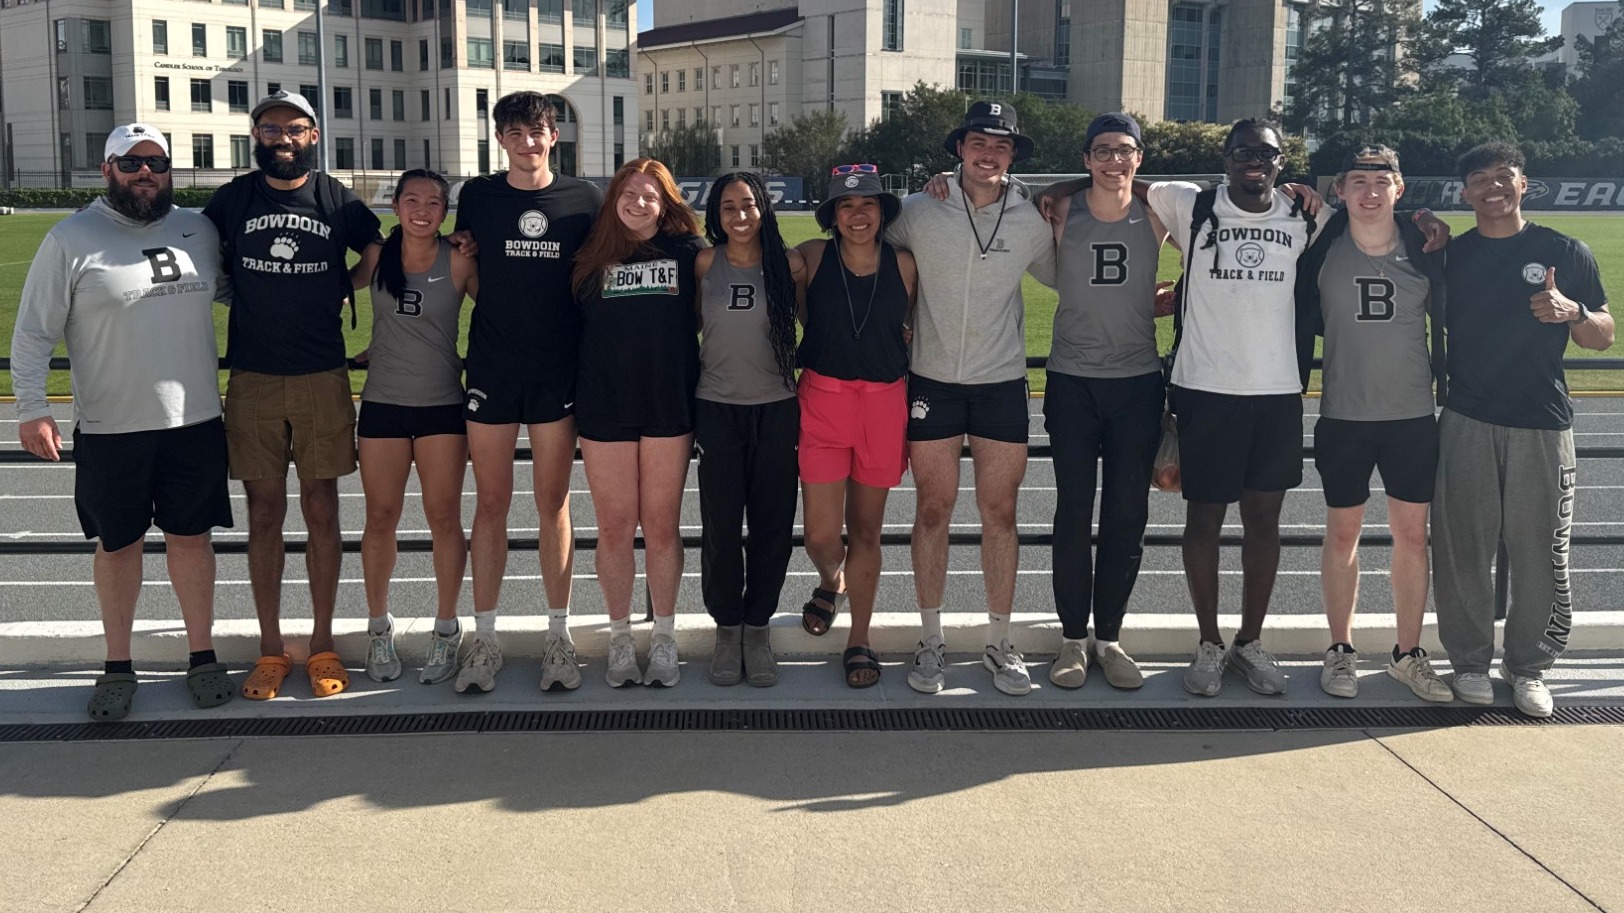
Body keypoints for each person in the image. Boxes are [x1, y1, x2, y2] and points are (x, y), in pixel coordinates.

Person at [11, 124, 234, 720]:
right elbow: (33, 332)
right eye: (131, 163)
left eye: (156, 162)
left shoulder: (199, 228)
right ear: (107, 169)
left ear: (169, 170)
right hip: (112, 425)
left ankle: (202, 654)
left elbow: (243, 293)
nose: (145, 173)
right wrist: (32, 407)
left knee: (193, 539)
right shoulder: (70, 238)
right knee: (119, 545)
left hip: (195, 420)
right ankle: (117, 665)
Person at [202, 91, 382, 701]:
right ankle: (271, 648)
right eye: (271, 127)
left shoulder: (336, 196)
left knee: (323, 507)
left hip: (321, 372)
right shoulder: (231, 199)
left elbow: (379, 253)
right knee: (263, 514)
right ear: (254, 134)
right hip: (251, 375)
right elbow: (200, 259)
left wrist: (343, 284)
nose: (282, 137)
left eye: (295, 128)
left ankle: (324, 642)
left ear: (313, 135)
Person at [1140, 119, 1323, 697]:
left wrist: (1426, 225)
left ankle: (1250, 641)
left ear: (1280, 162)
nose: (1254, 161)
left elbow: (1377, 229)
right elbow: (1120, 180)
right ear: (1225, 158)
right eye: (1243, 151)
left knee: (1265, 522)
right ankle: (1208, 643)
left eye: (1265, 153)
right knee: (1205, 521)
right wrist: (1051, 191)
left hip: (1276, 391)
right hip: (1205, 389)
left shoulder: (1306, 215)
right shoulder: (1189, 204)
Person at [1433, 142, 1613, 718]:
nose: (1492, 187)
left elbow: (1604, 334)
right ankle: (1468, 662)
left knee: (1540, 552)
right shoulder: (1451, 258)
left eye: (1502, 176)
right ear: (1465, 193)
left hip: (1541, 423)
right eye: (1479, 179)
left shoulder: (1563, 250)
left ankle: (1529, 667)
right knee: (1464, 550)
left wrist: (1574, 312)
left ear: (1523, 184)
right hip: (1465, 418)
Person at [888, 101, 1056, 697]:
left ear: (1013, 156)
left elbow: (1070, 274)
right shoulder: (919, 209)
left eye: (1001, 146)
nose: (989, 154)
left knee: (1000, 514)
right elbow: (867, 256)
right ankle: (930, 638)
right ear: (959, 148)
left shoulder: (1032, 218)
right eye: (979, 142)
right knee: (933, 511)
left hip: (1002, 384)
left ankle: (999, 641)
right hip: (931, 381)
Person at [450, 91, 602, 693]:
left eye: (536, 131)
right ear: (501, 139)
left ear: (553, 136)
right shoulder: (479, 197)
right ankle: (484, 639)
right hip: (491, 367)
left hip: (556, 372)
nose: (527, 141)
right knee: (490, 503)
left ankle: (558, 637)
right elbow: (468, 268)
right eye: (514, 132)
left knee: (553, 504)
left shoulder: (584, 199)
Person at [1292, 145, 1453, 703]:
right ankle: (1340, 650)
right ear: (1340, 191)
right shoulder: (1321, 243)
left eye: (1379, 181)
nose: (1368, 191)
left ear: (1399, 189)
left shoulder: (1424, 244)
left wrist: (1428, 221)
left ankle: (1408, 653)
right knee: (1342, 535)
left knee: (1412, 535)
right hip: (1343, 414)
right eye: (1356, 181)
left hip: (1412, 416)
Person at [1032, 114, 1173, 691]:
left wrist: (1179, 298)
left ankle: (1109, 636)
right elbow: (1020, 193)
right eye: (1102, 151)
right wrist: (1058, 187)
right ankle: (1071, 639)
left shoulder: (1160, 213)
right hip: (1071, 381)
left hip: (1138, 383)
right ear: (1086, 158)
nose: (1114, 160)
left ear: (1139, 157)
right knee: (1072, 512)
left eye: (1124, 151)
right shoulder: (1062, 210)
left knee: (1125, 516)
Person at [571, 158, 705, 688]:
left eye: (650, 195)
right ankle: (622, 637)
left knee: (663, 526)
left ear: (666, 202)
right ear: (613, 200)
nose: (638, 202)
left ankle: (666, 637)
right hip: (603, 404)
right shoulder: (587, 257)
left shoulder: (689, 254)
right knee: (614, 527)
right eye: (629, 193)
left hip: (668, 404)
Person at [346, 170, 476, 685]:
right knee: (380, 517)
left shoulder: (461, 259)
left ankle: (446, 629)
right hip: (381, 404)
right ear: (395, 205)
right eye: (412, 200)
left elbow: (506, 316)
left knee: (444, 517)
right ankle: (379, 628)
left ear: (446, 211)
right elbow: (325, 285)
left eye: (435, 202)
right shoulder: (378, 257)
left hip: (442, 405)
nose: (423, 210)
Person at [794, 165, 918, 688]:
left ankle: (859, 637)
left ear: (883, 211)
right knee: (821, 535)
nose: (858, 214)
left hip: (884, 404)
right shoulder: (813, 257)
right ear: (832, 216)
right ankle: (832, 579)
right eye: (845, 206)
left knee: (866, 529)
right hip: (822, 399)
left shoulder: (907, 265)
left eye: (868, 203)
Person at [694, 172, 805, 687]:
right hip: (716, 409)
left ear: (764, 207)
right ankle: (727, 628)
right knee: (719, 525)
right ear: (716, 216)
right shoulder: (703, 263)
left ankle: (757, 627)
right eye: (728, 209)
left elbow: (817, 322)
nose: (739, 216)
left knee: (772, 524)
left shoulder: (789, 265)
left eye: (748, 205)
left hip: (778, 408)